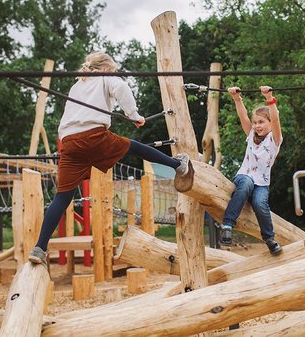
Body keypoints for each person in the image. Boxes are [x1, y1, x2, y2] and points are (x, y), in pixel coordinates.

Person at [29, 51, 189, 266]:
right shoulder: (106, 78)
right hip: (92, 136)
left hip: (69, 143)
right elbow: (122, 89)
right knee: (135, 147)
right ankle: (178, 165)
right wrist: (135, 117)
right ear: (105, 69)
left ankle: (39, 248)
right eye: (113, 70)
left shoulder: (77, 86)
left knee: (62, 197)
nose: (115, 74)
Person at [219, 85, 283, 255]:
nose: (256, 126)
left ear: (269, 123)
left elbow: (276, 120)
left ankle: (269, 239)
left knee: (260, 203)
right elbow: (243, 116)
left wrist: (270, 99)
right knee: (246, 183)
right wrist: (237, 99)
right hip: (244, 176)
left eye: (261, 122)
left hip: (262, 183)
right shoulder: (251, 136)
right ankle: (227, 225)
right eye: (255, 122)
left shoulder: (274, 140)